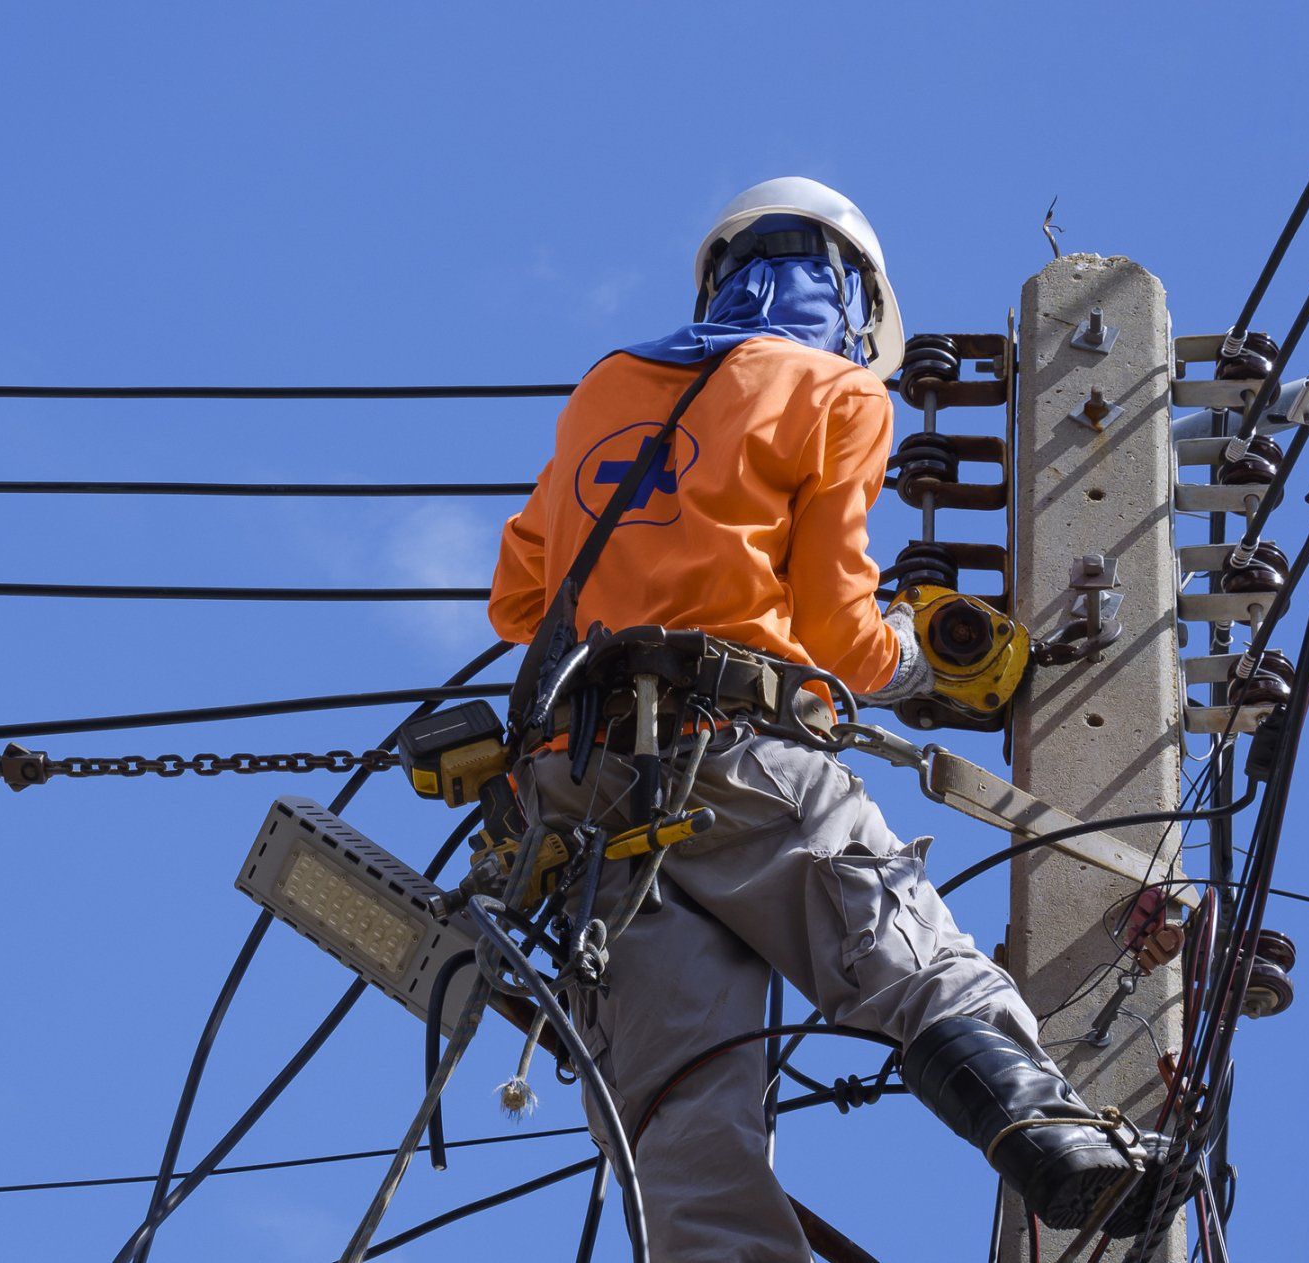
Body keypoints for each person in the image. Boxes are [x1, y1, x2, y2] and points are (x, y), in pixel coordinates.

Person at [487, 178, 1167, 1260]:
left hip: (583, 794)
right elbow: (839, 635)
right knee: (897, 945)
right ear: (847, 297)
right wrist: (917, 661)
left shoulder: (606, 387)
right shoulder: (835, 394)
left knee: (680, 1105)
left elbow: (519, 602)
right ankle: (1042, 1131)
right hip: (737, 753)